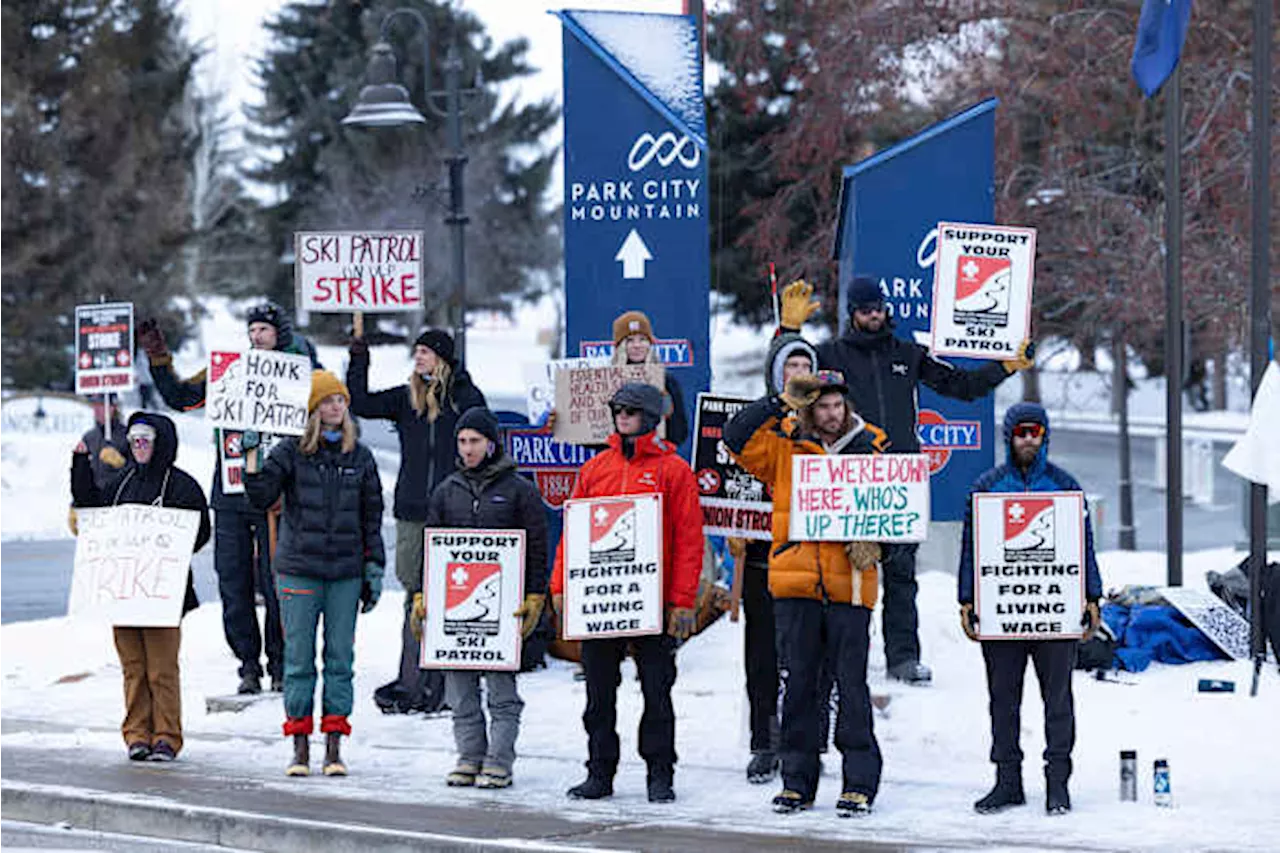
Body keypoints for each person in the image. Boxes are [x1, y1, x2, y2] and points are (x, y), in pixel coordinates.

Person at [783, 277, 1034, 685]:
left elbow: (962, 386)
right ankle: (844, 660)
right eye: (865, 310)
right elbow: (789, 376)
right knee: (846, 576)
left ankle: (903, 658)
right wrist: (789, 332)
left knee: (902, 576)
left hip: (900, 480)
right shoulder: (830, 354)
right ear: (852, 313)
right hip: (850, 479)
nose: (873, 315)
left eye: (878, 308)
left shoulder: (909, 354)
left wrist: (1004, 366)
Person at [725, 369, 886, 816]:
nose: (832, 414)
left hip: (851, 586)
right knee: (798, 685)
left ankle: (859, 782)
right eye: (822, 406)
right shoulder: (783, 443)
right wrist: (779, 401)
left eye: (838, 406)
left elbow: (904, 505)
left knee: (851, 687)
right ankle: (798, 781)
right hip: (795, 582)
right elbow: (735, 438)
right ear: (809, 408)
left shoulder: (875, 445)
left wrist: (880, 545)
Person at [137, 301, 320, 695]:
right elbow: (183, 398)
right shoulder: (229, 371)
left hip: (278, 498)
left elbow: (330, 410)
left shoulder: (300, 373)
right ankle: (248, 663)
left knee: (277, 585)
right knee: (233, 582)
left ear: (280, 335)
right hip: (232, 493)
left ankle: (282, 662)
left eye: (265, 331)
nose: (257, 337)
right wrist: (158, 358)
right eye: (252, 331)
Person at [549, 383, 703, 804]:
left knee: (657, 691)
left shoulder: (674, 471)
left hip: (653, 603)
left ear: (651, 418)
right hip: (601, 602)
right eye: (618, 409)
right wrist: (561, 586)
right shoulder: (595, 468)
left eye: (631, 410)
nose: (622, 415)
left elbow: (690, 541)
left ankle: (660, 774)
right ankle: (599, 772)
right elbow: (573, 532)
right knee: (598, 693)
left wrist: (682, 601)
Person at [958, 402, 1102, 816]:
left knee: (1058, 701)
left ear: (1045, 436)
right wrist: (966, 598)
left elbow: (1083, 544)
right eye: (1020, 432)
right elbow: (972, 548)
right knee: (1003, 700)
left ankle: (1058, 783)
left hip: (1054, 614)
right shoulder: (987, 486)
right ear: (1008, 436)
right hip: (1002, 615)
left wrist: (1092, 595)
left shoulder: (1065, 484)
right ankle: (1007, 781)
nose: (1027, 439)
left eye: (1035, 432)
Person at [243, 370, 386, 778]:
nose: (335, 407)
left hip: (344, 573)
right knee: (299, 661)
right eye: (326, 401)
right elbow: (262, 496)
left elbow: (371, 516)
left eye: (340, 400)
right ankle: (300, 747)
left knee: (340, 660)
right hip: (299, 571)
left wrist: (373, 566)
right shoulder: (290, 452)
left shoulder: (360, 456)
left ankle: (335, 748)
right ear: (311, 409)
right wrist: (252, 462)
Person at [346, 328, 486, 716]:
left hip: (454, 512)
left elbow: (488, 444)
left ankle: (444, 683)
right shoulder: (407, 398)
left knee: (450, 596)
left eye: (425, 352)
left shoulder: (465, 398)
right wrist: (359, 360)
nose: (418, 358)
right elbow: (360, 402)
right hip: (411, 512)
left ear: (442, 357)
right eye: (416, 352)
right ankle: (412, 680)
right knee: (415, 595)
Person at [416, 407, 549, 789]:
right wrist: (424, 593)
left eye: (475, 441)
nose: (468, 448)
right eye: (462, 441)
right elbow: (431, 548)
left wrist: (535, 596)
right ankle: (469, 756)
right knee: (460, 692)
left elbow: (537, 547)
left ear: (491, 443)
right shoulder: (447, 490)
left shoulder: (519, 490)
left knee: (502, 693)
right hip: (454, 612)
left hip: (503, 611)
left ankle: (499, 761)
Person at [70, 412, 211, 761]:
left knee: (161, 669)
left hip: (164, 593)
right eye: (134, 441)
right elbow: (94, 511)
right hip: (124, 593)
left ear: (160, 442)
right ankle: (137, 734)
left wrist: (169, 548)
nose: (139, 447)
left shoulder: (182, 485)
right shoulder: (121, 482)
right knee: (133, 667)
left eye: (145, 440)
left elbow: (200, 532)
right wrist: (79, 466)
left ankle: (166, 736)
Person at [729, 325, 822, 785]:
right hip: (764, 558)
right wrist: (780, 402)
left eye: (807, 366)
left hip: (816, 559)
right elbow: (733, 437)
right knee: (763, 656)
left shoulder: (831, 422)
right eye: (791, 367)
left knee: (809, 656)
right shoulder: (765, 422)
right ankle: (764, 741)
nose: (800, 374)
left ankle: (807, 740)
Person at [610, 310, 688, 447]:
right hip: (618, 459)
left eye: (643, 339)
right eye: (629, 340)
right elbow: (594, 434)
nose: (637, 345)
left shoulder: (667, 381)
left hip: (655, 457)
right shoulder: (607, 381)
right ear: (620, 347)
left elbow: (680, 433)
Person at [67, 394, 129, 536]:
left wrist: (122, 463)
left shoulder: (127, 435)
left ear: (113, 407)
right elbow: (81, 478)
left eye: (101, 406)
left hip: (120, 508)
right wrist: (76, 505)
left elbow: (140, 474)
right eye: (95, 406)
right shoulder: (89, 437)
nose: (97, 410)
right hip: (94, 508)